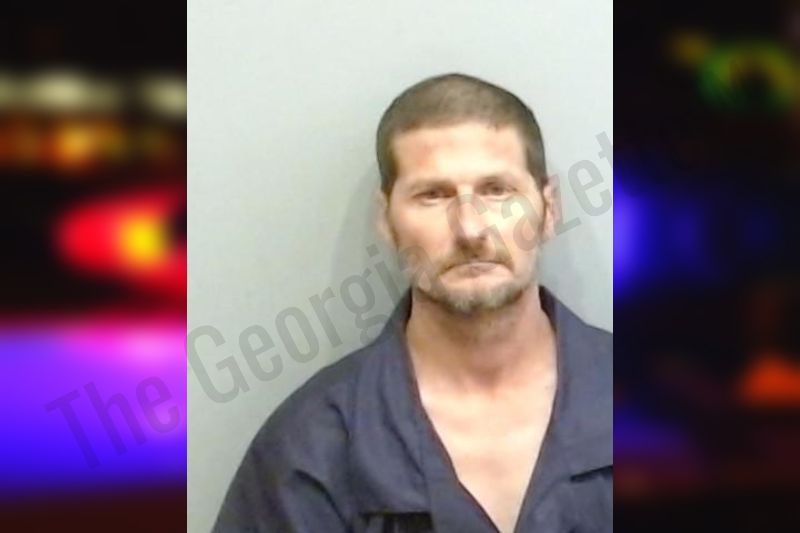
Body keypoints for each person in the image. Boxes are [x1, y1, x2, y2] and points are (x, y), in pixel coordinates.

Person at [213, 73, 612, 533]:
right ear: (386, 220)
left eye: (497, 190)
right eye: (432, 195)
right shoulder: (309, 452)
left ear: (550, 209)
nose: (470, 229)